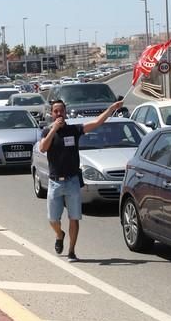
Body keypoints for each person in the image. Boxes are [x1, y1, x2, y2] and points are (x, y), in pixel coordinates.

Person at [39, 98, 123, 262]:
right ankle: (59, 234)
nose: (59, 114)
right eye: (55, 111)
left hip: (72, 181)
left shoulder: (74, 130)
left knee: (74, 217)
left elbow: (97, 122)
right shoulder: (46, 132)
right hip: (55, 182)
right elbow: (43, 148)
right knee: (53, 219)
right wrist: (54, 128)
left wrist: (112, 108)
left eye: (61, 111)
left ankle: (71, 251)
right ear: (51, 113)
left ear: (65, 112)